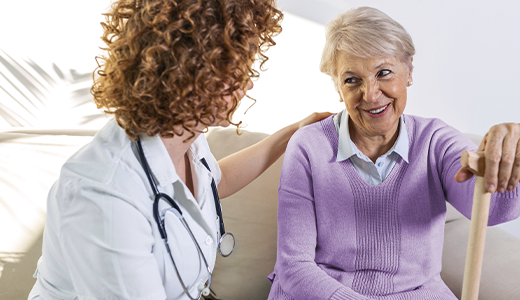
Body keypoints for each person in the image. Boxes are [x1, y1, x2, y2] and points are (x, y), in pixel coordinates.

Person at [27, 0, 331, 299]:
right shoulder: (104, 197)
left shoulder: (182, 133)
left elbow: (214, 182)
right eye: (237, 68)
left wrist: (291, 133)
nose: (247, 85)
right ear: (192, 74)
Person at [267, 6, 520, 300]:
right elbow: (294, 268)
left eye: (383, 73)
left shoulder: (435, 141)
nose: (371, 94)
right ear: (337, 87)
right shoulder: (309, 146)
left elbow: (495, 209)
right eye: (351, 80)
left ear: (408, 70)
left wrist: (513, 160)